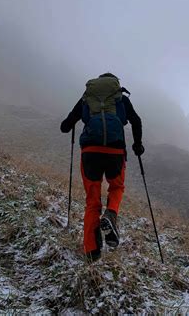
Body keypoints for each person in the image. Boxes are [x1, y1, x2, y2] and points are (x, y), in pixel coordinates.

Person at [60, 72, 144, 262]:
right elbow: (136, 121)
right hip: (115, 152)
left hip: (90, 152)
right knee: (117, 187)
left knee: (92, 200)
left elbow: (65, 126)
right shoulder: (120, 98)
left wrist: (70, 124)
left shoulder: (86, 98)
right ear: (114, 84)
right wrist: (137, 145)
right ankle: (111, 214)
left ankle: (91, 251)